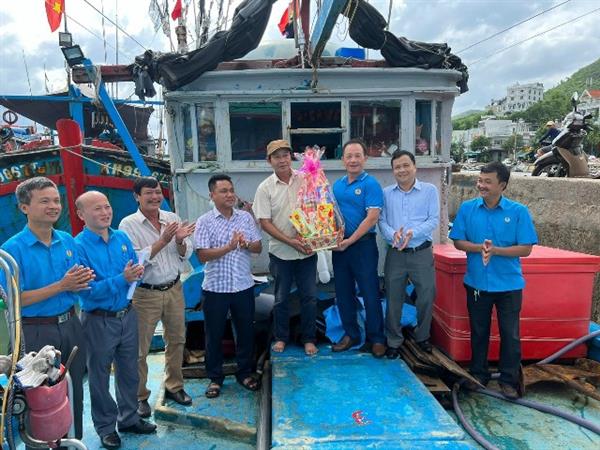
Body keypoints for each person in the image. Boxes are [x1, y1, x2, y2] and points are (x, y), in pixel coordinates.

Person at [1, 177, 93, 448]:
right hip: (35, 331)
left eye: (56, 200)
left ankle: (72, 440)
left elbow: (76, 281)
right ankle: (40, 444)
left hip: (71, 324)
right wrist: (62, 285)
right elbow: (15, 301)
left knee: (74, 391)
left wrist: (82, 282)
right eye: (44, 201)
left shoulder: (67, 241)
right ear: (24, 208)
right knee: (38, 397)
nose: (54, 206)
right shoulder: (11, 251)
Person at [75, 191, 156, 449]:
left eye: (107, 206)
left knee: (129, 371)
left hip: (127, 314)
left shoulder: (121, 237)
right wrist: (123, 279)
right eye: (97, 208)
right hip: (98, 319)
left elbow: (132, 273)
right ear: (81, 214)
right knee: (99, 377)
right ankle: (106, 428)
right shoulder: (78, 247)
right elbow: (87, 291)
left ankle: (129, 418)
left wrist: (136, 274)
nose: (105, 212)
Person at [449, 162, 537, 399]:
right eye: (480, 180)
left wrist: (496, 251)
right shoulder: (468, 209)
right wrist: (480, 248)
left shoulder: (518, 212)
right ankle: (479, 374)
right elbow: (458, 241)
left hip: (509, 285)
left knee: (510, 334)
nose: (482, 185)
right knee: (479, 332)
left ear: (502, 185)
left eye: (488, 182)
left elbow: (526, 248)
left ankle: (509, 380)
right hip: (477, 283)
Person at [119, 177, 195, 418]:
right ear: (137, 197)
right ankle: (140, 396)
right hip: (145, 294)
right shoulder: (128, 224)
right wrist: (164, 240)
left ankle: (175, 386)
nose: (155, 197)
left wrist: (180, 240)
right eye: (148, 193)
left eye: (158, 192)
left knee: (177, 340)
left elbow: (185, 254)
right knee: (140, 349)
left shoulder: (171, 218)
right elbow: (136, 260)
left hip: (174, 288)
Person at [195, 174, 262, 398]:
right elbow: (202, 255)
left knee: (245, 332)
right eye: (223, 191)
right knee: (213, 335)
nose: (230, 195)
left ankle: (244, 373)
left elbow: (258, 248)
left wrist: (246, 244)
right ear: (212, 195)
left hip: (243, 285)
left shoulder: (245, 218)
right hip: (215, 288)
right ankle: (215, 378)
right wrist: (229, 247)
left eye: (231, 190)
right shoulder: (205, 221)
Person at [253, 139, 319, 356]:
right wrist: (290, 241)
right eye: (276, 157)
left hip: (307, 251)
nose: (282, 160)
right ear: (269, 161)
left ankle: (309, 338)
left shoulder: (306, 179)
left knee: (309, 297)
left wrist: (310, 235)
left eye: (285, 155)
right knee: (281, 298)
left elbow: (318, 207)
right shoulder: (265, 188)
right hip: (281, 253)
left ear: (291, 157)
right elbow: (265, 223)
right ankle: (281, 337)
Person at [378, 150, 439, 357]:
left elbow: (433, 219)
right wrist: (392, 235)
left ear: (415, 167)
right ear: (392, 170)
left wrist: (413, 232)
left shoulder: (429, 190)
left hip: (421, 251)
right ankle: (393, 340)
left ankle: (422, 336)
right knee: (393, 297)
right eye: (397, 167)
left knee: (426, 295)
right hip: (396, 253)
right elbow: (381, 221)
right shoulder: (386, 193)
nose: (402, 170)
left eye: (406, 165)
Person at [331, 139, 386, 358]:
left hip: (362, 246)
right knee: (343, 292)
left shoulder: (371, 184)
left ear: (365, 158)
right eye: (349, 156)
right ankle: (351, 334)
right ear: (342, 160)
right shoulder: (337, 185)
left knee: (370, 292)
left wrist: (350, 240)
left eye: (357, 156)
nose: (353, 160)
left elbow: (372, 218)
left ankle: (377, 338)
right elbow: (329, 216)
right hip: (340, 247)